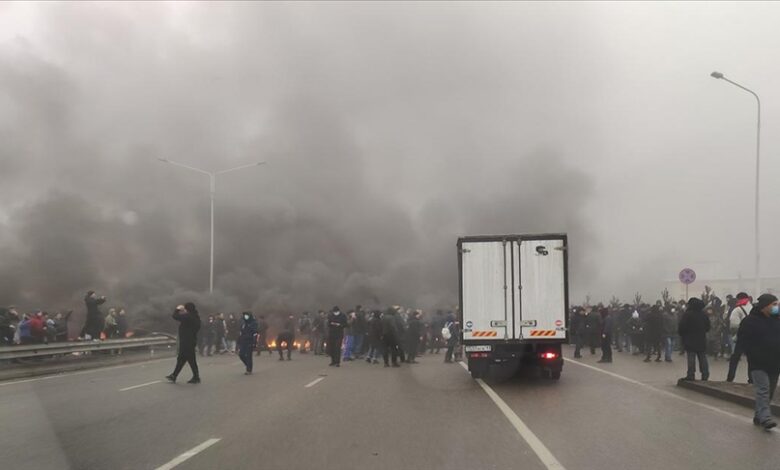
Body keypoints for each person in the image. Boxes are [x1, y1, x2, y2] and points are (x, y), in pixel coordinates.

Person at [737, 293, 780, 430]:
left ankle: (759, 415)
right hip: (758, 363)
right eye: (773, 304)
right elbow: (742, 340)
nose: (776, 307)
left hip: (775, 363)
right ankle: (766, 418)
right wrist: (747, 354)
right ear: (764, 306)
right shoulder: (750, 321)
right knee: (763, 390)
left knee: (770, 391)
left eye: (777, 304)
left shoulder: (777, 320)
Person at [166, 303, 201, 384]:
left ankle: (196, 377)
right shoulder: (196, 317)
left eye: (185, 309)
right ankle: (174, 375)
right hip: (191, 341)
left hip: (186, 342)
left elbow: (175, 316)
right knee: (182, 360)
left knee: (190, 360)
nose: (184, 310)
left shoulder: (189, 317)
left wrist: (177, 309)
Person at [678, 297, 710, 381]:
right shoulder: (704, 315)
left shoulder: (687, 314)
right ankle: (705, 374)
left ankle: (691, 374)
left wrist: (683, 335)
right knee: (703, 357)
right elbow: (708, 327)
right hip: (701, 339)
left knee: (691, 357)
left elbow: (682, 327)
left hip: (689, 339)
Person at [727, 292, 752, 383]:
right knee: (751, 359)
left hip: (741, 337)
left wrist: (734, 335)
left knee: (735, 358)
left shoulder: (737, 309)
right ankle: (751, 379)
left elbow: (733, 325)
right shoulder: (753, 308)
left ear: (738, 299)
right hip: (752, 337)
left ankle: (730, 377)